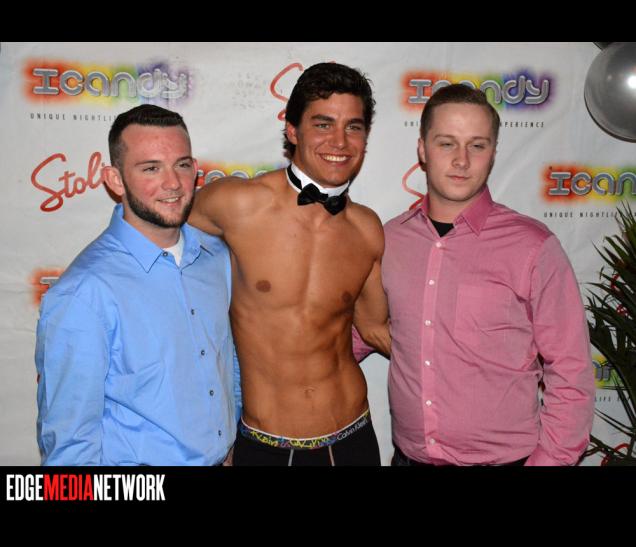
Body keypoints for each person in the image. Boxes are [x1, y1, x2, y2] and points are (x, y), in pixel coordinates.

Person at [354, 84, 596, 466]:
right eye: (446, 143)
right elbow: (352, 336)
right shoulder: (389, 241)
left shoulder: (533, 247)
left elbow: (571, 371)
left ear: (493, 153)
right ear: (422, 149)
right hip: (407, 459)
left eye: (477, 145)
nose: (461, 160)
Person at [189, 62, 390, 466]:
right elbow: (154, 232)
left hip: (354, 436)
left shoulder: (367, 229)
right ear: (293, 130)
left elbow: (373, 328)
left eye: (353, 126)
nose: (340, 141)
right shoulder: (236, 204)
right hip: (265, 443)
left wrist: (456, 361)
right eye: (323, 124)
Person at [36, 104, 241, 466]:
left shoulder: (216, 259)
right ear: (115, 180)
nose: (173, 183)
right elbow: (70, 444)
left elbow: (227, 365)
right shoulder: (85, 292)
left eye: (181, 165)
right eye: (151, 168)